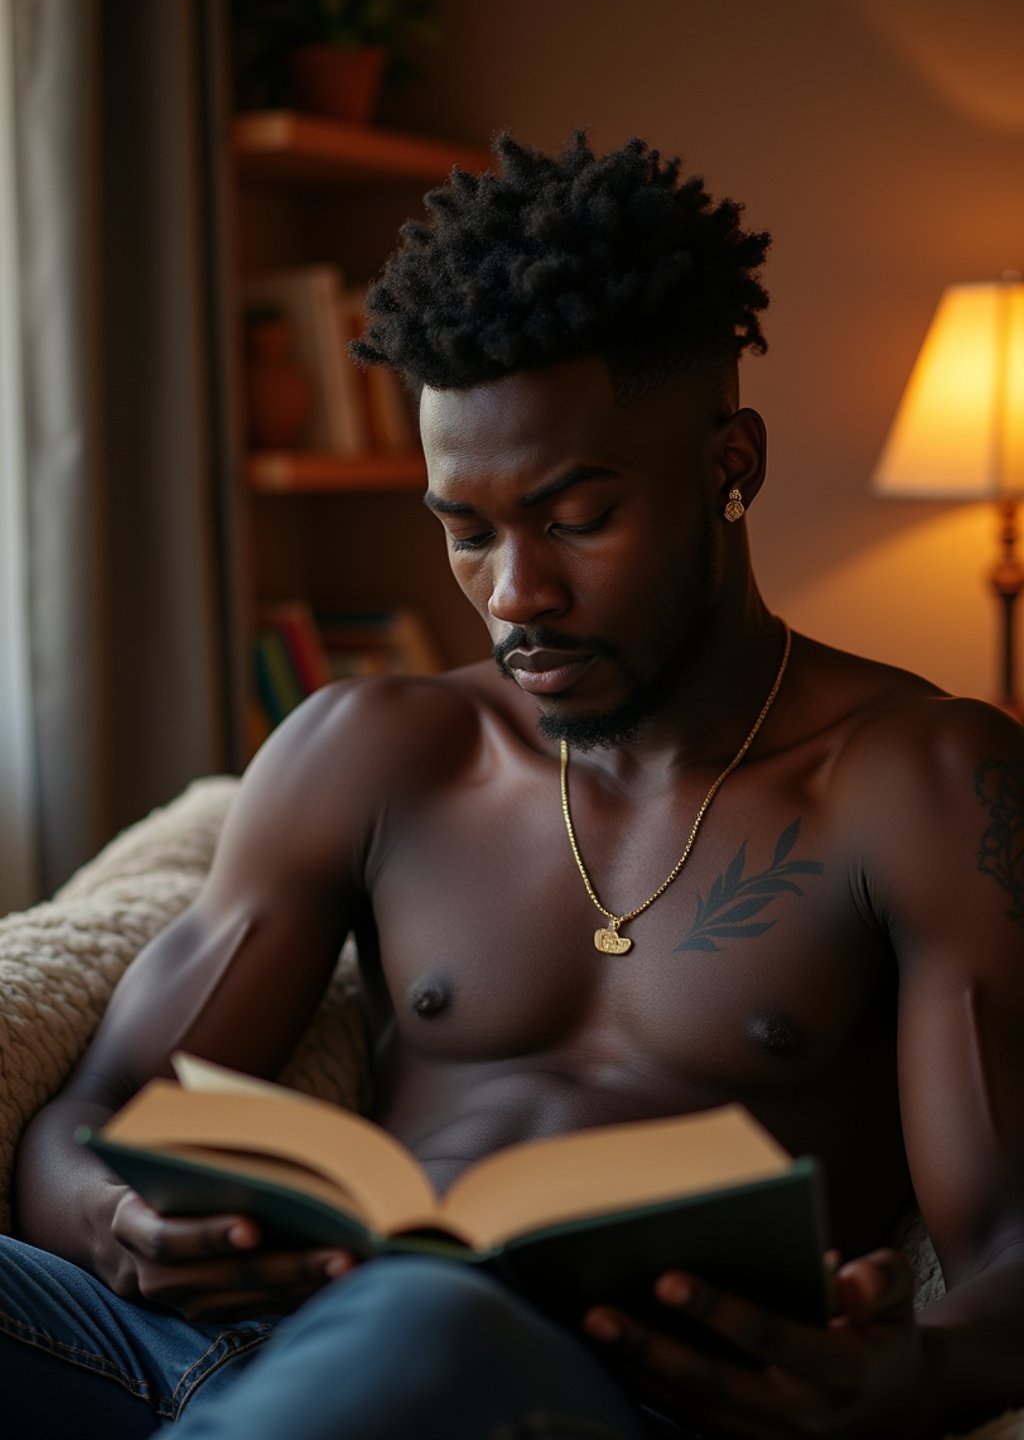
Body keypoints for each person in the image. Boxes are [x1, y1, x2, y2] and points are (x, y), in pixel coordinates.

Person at [4, 130, 1024, 1440]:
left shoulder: (925, 781)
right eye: (466, 530)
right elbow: (85, 1115)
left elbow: (1007, 1244)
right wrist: (116, 1218)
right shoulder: (373, 752)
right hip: (238, 1351)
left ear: (732, 465)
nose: (513, 594)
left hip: (596, 1394)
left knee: (432, 1312)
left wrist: (913, 1368)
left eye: (576, 518)